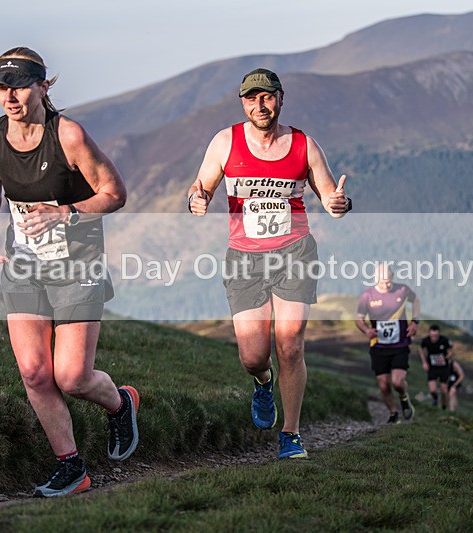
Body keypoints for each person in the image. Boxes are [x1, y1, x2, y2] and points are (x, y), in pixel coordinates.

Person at [0, 47, 139, 497]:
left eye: (20, 86)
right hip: (24, 265)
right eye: (2, 88)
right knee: (33, 373)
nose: (10, 97)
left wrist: (63, 213)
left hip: (77, 263)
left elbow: (115, 193)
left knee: (72, 377)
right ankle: (71, 467)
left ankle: (120, 401)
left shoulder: (68, 135)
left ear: (43, 86)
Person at [187, 68, 351, 459]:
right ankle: (264, 383)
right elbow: (201, 187)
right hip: (245, 258)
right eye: (251, 99)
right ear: (243, 103)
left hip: (295, 252)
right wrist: (197, 199)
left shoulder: (303, 145)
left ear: (280, 98)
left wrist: (338, 205)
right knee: (253, 356)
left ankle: (290, 435)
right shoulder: (225, 142)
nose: (259, 106)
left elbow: (331, 198)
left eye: (267, 97)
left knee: (290, 343)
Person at [355, 264, 421, 424]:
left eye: (389, 282)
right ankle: (393, 413)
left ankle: (404, 398)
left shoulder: (403, 290)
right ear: (376, 279)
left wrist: (414, 322)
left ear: (392, 277)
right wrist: (366, 330)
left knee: (397, 381)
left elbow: (416, 301)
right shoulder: (367, 296)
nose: (386, 285)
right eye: (383, 283)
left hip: (400, 344)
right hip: (378, 346)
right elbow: (359, 319)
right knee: (384, 384)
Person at [419, 324, 454, 409]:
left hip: (443, 368)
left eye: (436, 335)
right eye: (432, 335)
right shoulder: (425, 341)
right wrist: (424, 362)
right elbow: (420, 348)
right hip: (432, 368)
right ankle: (435, 399)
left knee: (444, 390)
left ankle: (443, 407)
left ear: (439, 334)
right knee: (433, 389)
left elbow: (452, 350)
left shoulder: (445, 340)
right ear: (430, 334)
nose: (434, 337)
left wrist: (446, 357)